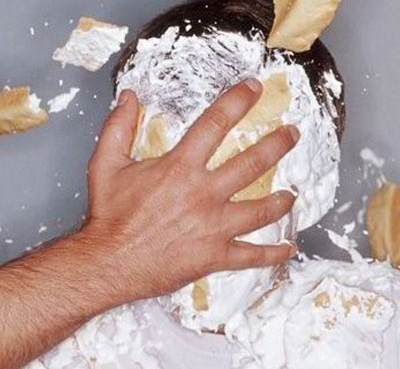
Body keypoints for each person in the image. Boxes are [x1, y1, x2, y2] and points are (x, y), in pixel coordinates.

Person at [0, 79, 299, 369]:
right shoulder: (71, 352)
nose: (187, 220)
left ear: (312, 187)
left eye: (249, 181)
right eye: (163, 186)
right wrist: (114, 256)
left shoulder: (337, 331)